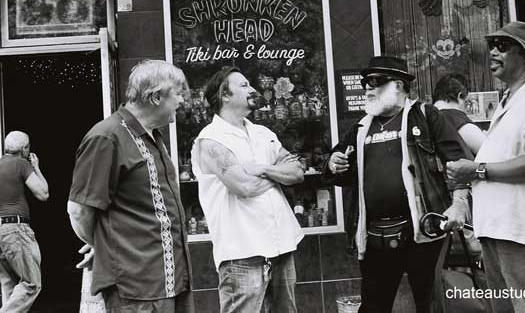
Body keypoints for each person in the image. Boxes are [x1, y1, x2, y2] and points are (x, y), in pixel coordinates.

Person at [323, 56, 471, 313]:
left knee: (431, 306)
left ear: (399, 86)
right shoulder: (360, 127)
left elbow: (459, 162)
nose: (368, 87)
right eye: (365, 82)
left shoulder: (425, 116)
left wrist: (459, 203)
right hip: (375, 236)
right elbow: (338, 172)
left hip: (423, 232)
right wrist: (333, 163)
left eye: (376, 81)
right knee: (373, 307)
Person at [446, 21, 525, 313]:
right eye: (492, 46)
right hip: (498, 229)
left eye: (503, 47)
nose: (493, 52)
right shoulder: (511, 98)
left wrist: (475, 170)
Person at [68, 60, 194, 313]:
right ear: (156, 96)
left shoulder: (152, 136)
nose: (182, 101)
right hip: (136, 288)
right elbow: (79, 210)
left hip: (169, 281)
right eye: (178, 93)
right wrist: (105, 247)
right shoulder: (107, 137)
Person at [190, 66, 304, 313]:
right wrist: (276, 172)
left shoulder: (263, 132)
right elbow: (244, 186)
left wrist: (261, 168)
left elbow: (297, 173)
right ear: (225, 95)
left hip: (281, 245)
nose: (252, 89)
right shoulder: (210, 140)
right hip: (242, 254)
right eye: (243, 85)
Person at [0, 131, 48, 313]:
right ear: (25, 149)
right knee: (31, 283)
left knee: (10, 288)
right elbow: (43, 193)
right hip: (15, 229)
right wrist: (36, 167)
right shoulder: (21, 164)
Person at [433, 73, 486, 156]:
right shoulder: (457, 121)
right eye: (466, 102)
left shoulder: (426, 116)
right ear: (459, 96)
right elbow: (493, 155)